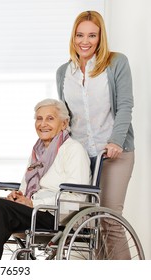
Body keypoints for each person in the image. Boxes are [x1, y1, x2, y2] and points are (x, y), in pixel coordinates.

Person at [0, 98, 90, 260]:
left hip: (55, 215)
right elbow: (26, 188)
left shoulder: (73, 150)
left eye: (50, 118)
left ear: (64, 123)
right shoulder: (38, 150)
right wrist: (19, 196)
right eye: (39, 119)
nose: (43, 124)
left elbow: (76, 198)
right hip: (34, 210)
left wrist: (33, 203)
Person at [56, 11, 135, 259]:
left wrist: (115, 142)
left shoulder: (116, 63)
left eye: (92, 35)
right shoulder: (63, 72)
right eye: (80, 35)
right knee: (86, 223)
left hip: (113, 153)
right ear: (73, 37)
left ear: (101, 37)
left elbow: (125, 106)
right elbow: (65, 117)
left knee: (109, 219)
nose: (85, 41)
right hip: (80, 156)